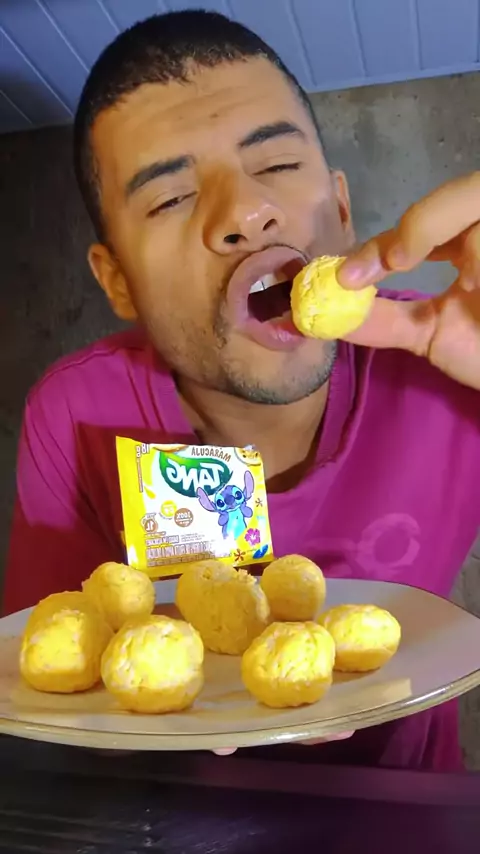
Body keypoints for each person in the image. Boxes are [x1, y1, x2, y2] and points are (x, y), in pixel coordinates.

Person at [4, 10, 480, 772]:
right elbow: (49, 693)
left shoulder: (450, 361)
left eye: (278, 164)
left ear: (341, 211)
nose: (244, 213)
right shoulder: (74, 415)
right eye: (170, 197)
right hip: (177, 813)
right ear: (117, 279)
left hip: (410, 809)